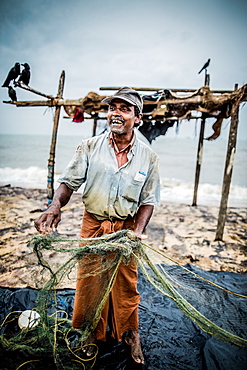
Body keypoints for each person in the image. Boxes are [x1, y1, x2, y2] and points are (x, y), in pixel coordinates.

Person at [34, 86, 160, 364]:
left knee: (127, 283)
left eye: (124, 109)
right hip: (93, 224)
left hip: (126, 228)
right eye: (112, 108)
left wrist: (138, 231)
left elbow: (149, 200)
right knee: (90, 280)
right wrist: (55, 206)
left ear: (137, 117)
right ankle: (89, 333)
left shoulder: (149, 157)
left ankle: (130, 334)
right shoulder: (89, 146)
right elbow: (69, 182)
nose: (116, 113)